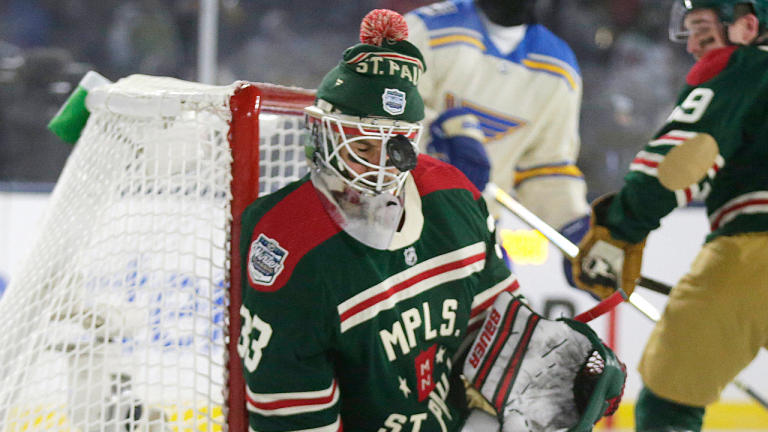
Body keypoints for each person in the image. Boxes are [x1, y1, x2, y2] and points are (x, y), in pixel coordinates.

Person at [238, 9, 624, 432]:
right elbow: (294, 414)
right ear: (325, 134)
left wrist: (553, 369)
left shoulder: (452, 197)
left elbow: (497, 337)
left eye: (396, 147)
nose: (380, 168)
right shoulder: (288, 242)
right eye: (363, 146)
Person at [571, 1, 768, 431]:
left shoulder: (745, 66)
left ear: (748, 26)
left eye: (703, 29)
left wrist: (618, 231)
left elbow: (680, 162)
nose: (694, 44)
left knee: (669, 399)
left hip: (755, 250)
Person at [403, 0, 590, 287]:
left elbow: (546, 167)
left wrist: (576, 230)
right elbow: (379, 110)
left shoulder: (559, 67)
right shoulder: (425, 29)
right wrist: (435, 141)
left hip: (476, 235)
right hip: (398, 218)